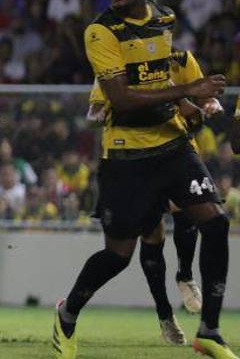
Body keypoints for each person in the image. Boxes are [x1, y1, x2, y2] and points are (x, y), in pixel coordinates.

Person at [52, 0, 232, 359]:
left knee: (216, 222)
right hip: (126, 156)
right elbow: (122, 96)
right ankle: (68, 313)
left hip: (172, 145)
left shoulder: (163, 18)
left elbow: (156, 74)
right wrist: (188, 91)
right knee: (118, 256)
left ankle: (209, 331)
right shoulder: (101, 31)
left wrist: (185, 105)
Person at [86, 48, 220, 345]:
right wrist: (100, 110)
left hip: (178, 153)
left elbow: (203, 97)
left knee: (189, 209)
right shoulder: (115, 67)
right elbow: (95, 109)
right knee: (151, 238)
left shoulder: (181, 59)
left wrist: (208, 104)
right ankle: (165, 314)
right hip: (136, 162)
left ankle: (185, 274)